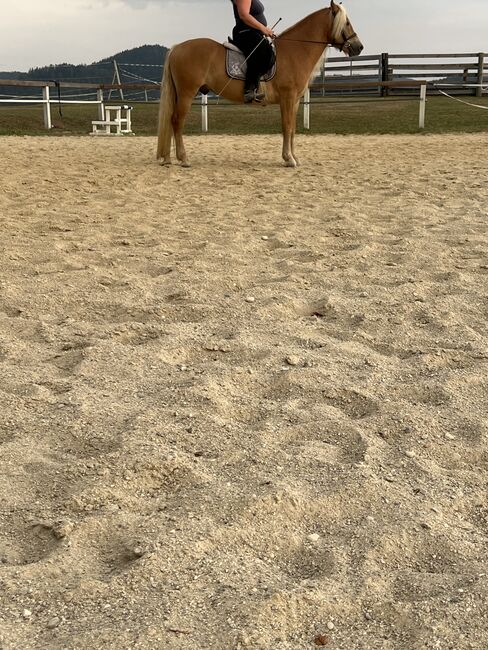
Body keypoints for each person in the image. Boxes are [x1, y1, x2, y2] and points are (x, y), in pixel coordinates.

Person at [230, 0, 276, 103]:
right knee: (263, 53)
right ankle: (249, 90)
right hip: (245, 33)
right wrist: (263, 28)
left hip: (255, 33)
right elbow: (244, 15)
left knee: (269, 54)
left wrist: (265, 30)